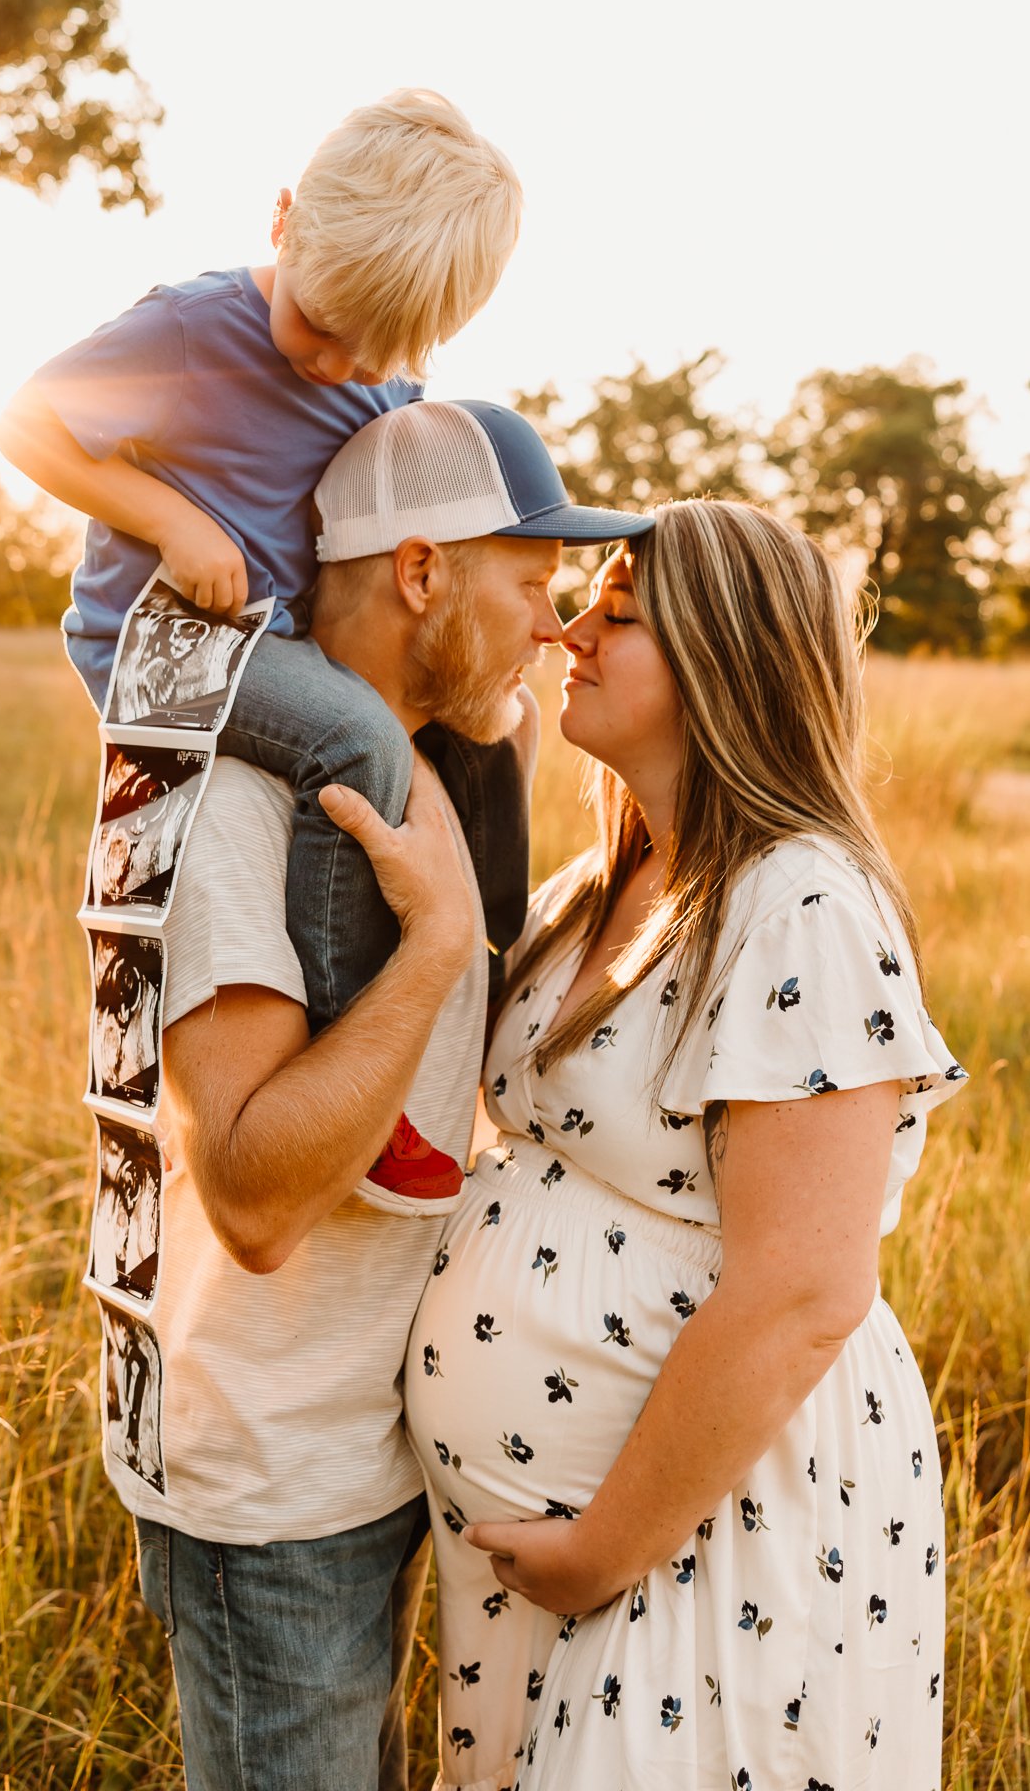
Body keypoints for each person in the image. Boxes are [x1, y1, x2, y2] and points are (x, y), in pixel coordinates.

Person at [118, 402, 651, 1791]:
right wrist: (430, 948)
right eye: (531, 586)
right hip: (277, 1484)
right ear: (419, 572)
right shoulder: (237, 797)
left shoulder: (457, 758)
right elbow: (252, 1200)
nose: (553, 627)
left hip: (400, 1442)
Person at [403, 501, 967, 1791]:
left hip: (704, 1529)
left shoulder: (803, 898)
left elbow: (803, 1288)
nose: (568, 635)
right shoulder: (603, 884)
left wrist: (605, 1544)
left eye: (618, 615)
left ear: (725, 656)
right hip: (570, 1543)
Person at [0, 89, 527, 1216]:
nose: (338, 366)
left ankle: (498, 984)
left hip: (278, 638)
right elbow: (26, 423)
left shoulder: (380, 368)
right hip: (169, 643)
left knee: (494, 730)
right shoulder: (193, 328)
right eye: (323, 329)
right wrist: (170, 518)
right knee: (353, 738)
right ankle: (348, 1059)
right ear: (281, 219)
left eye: (375, 350)